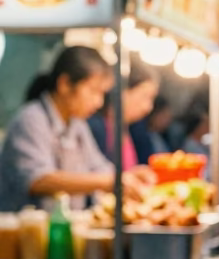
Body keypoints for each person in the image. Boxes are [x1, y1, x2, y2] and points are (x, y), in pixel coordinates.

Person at [0, 46, 147, 211]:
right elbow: (37, 179)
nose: (98, 102)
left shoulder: (77, 125)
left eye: (101, 94)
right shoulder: (31, 119)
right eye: (93, 91)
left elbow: (98, 167)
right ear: (64, 84)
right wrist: (108, 181)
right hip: (25, 233)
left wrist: (128, 176)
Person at [130, 94, 174, 165]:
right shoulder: (140, 136)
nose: (168, 120)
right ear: (154, 115)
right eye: (164, 116)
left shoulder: (163, 136)